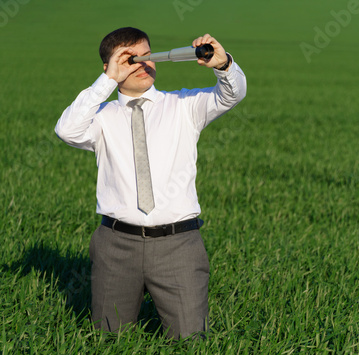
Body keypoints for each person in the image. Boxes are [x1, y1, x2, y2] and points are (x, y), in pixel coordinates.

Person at [55, 27, 246, 339]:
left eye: (147, 55)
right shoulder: (101, 117)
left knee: (191, 340)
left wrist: (224, 66)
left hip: (179, 246)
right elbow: (66, 130)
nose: (142, 63)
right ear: (110, 67)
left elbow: (232, 93)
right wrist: (107, 82)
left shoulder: (184, 106)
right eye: (131, 59)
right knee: (107, 339)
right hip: (116, 245)